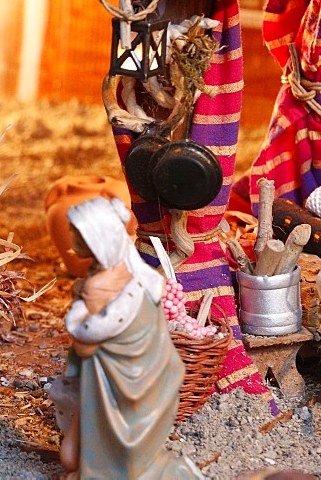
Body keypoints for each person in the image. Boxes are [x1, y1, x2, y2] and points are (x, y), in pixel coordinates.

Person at [49, 196, 200, 479]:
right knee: (72, 456)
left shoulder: (100, 285)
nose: (70, 237)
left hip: (126, 385)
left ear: (97, 239)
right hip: (133, 379)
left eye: (76, 233)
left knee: (82, 455)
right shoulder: (130, 276)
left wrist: (86, 335)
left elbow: (84, 342)